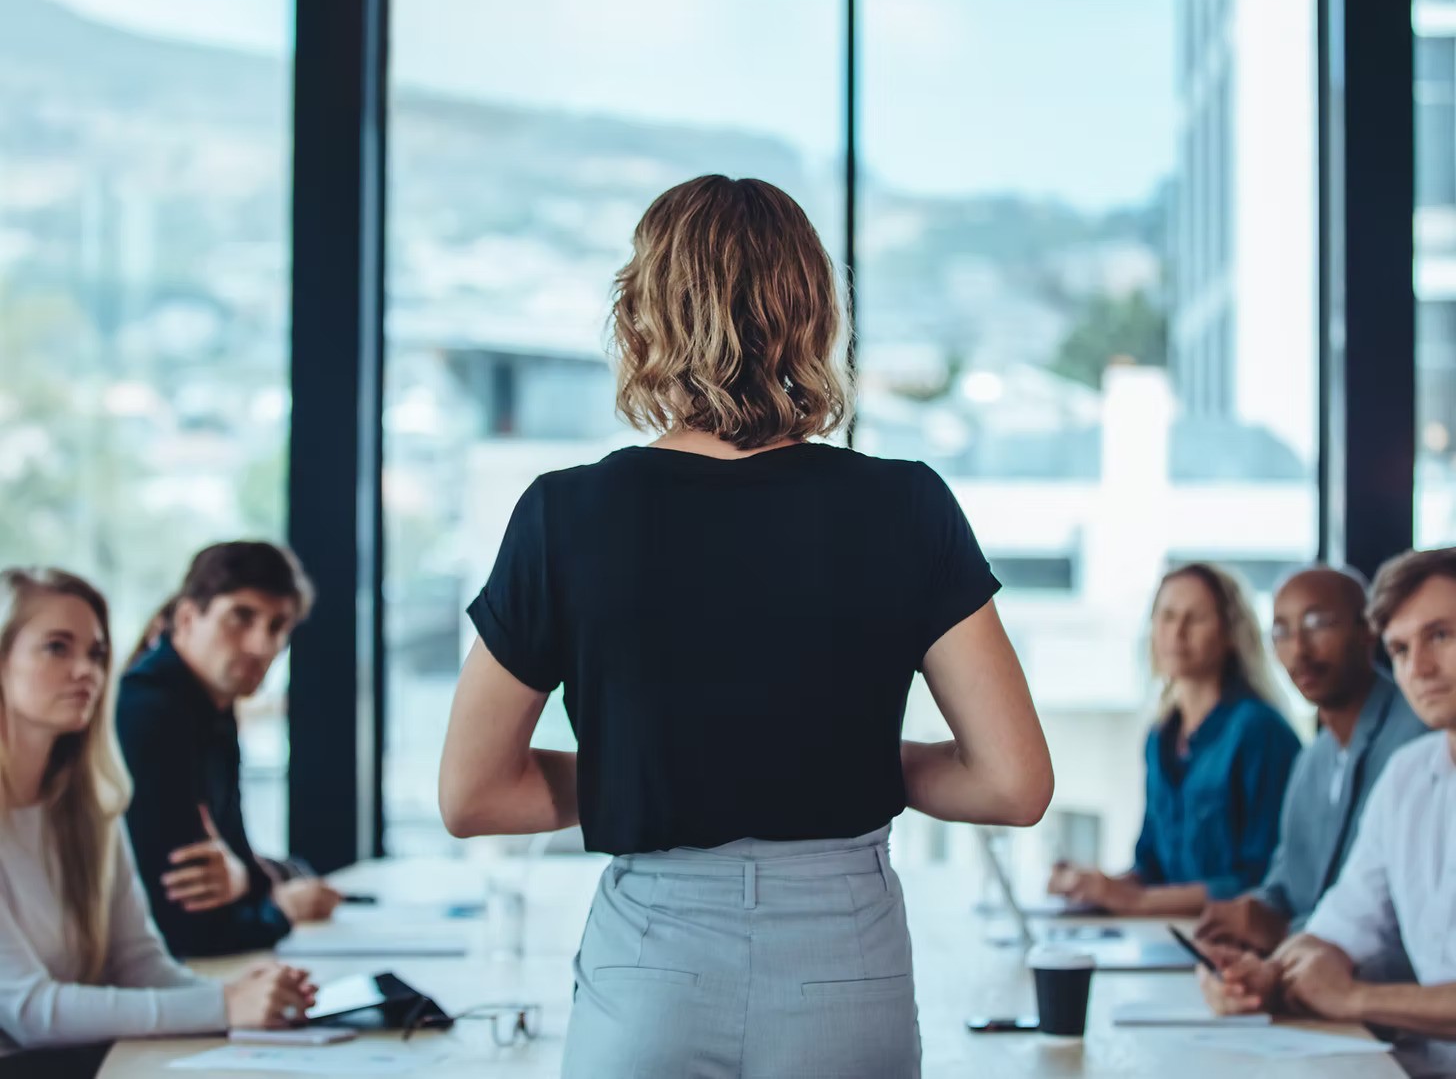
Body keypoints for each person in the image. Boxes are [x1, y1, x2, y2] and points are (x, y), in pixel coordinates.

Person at [437, 175, 1054, 1079]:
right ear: (812, 314)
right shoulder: (905, 505)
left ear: (642, 315)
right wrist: (831, 759)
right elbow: (1014, 785)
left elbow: (472, 794)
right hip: (845, 958)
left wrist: (652, 769)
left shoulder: (563, 515)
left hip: (652, 959)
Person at [0, 567, 314, 1074]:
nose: (87, 671)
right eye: (57, 647)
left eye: (97, 653)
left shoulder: (91, 808)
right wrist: (223, 1006)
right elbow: (29, 1012)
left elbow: (140, 964)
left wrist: (245, 996)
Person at [1200, 547, 1456, 1077]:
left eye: (1441, 635)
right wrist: (1270, 975)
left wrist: (1352, 998)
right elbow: (1343, 924)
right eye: (1402, 649)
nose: (1420, 668)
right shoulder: (1410, 775)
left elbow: (1347, 987)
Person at [117, 542, 340, 959]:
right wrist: (280, 909)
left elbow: (238, 860)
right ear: (186, 617)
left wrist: (248, 879)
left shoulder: (211, 709)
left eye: (277, 627)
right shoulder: (149, 713)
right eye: (241, 617)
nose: (261, 646)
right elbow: (186, 925)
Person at [1195, 566, 1427, 957]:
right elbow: (1283, 885)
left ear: (1369, 630)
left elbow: (1394, 916)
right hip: (1308, 972)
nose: (1299, 650)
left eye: (1318, 624)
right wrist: (1253, 912)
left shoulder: (1418, 741)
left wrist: (1283, 931)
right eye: (1282, 631)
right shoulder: (1313, 759)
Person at [1047, 562, 1301, 916]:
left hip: (1233, 942)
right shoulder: (1159, 737)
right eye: (1166, 616)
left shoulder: (1260, 730)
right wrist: (1095, 886)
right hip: (1167, 933)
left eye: (1194, 619)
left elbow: (1263, 880)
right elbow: (1150, 868)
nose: (1176, 633)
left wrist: (1137, 902)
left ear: (1230, 633)